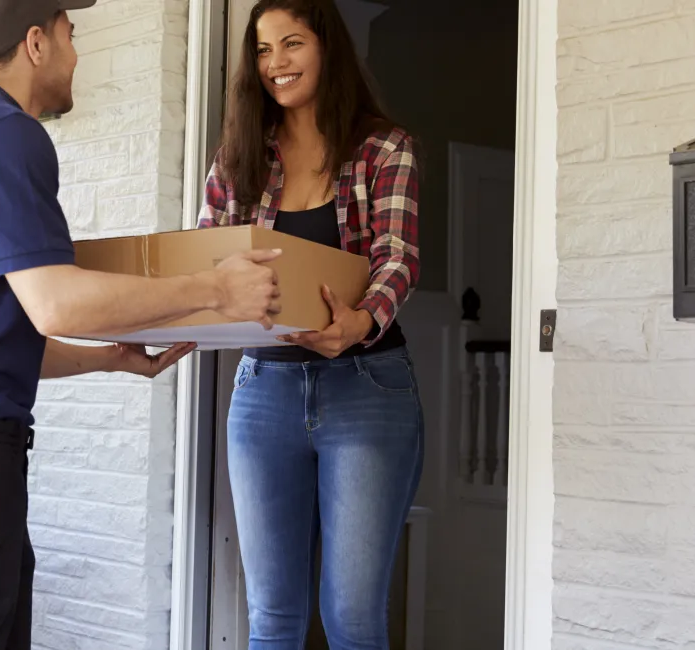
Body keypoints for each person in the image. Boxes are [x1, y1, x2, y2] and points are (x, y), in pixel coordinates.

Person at [0, 0, 286, 647]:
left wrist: (109, 358)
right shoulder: (3, 133)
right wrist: (215, 289)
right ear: (34, 42)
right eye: (70, 33)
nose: (76, 52)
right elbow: (57, 301)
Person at [196, 0, 424, 647]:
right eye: (263, 50)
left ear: (327, 48)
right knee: (272, 617)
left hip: (366, 388)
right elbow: (207, 258)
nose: (276, 64)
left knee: (351, 616)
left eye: (291, 44)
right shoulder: (239, 158)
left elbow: (398, 257)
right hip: (263, 393)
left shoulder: (385, 148)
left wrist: (359, 323)